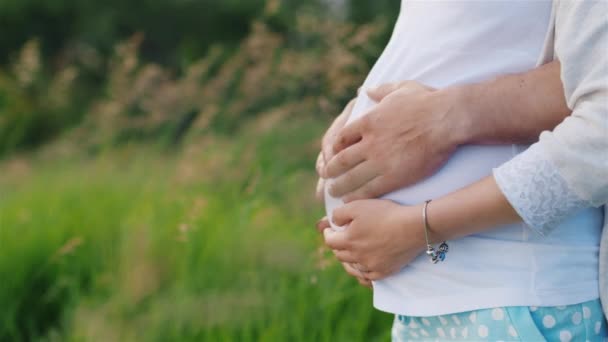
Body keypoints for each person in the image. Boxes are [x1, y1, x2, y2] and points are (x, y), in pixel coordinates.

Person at [315, 0, 608, 340]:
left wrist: (418, 226)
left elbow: (598, 123)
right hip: (432, 303)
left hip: (517, 296)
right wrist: (362, 113)